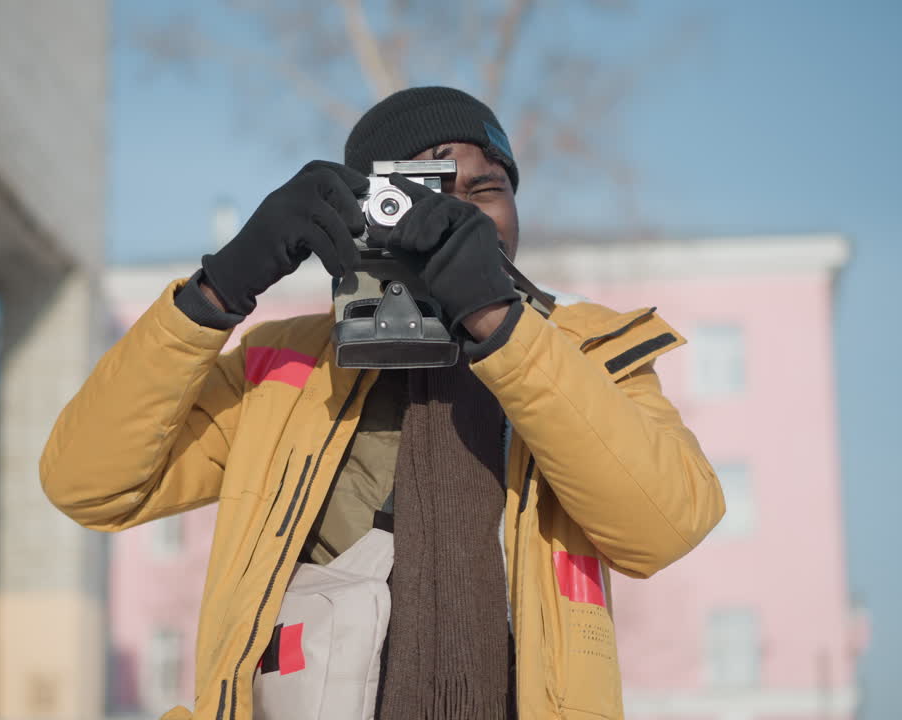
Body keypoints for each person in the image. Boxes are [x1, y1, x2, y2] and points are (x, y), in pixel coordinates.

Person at [42, 86, 724, 720]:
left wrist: (497, 322)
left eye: (486, 190)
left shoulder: (592, 352)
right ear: (365, 213)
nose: (457, 215)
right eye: (419, 194)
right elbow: (88, 485)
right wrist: (220, 289)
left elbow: (662, 526)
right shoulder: (288, 367)